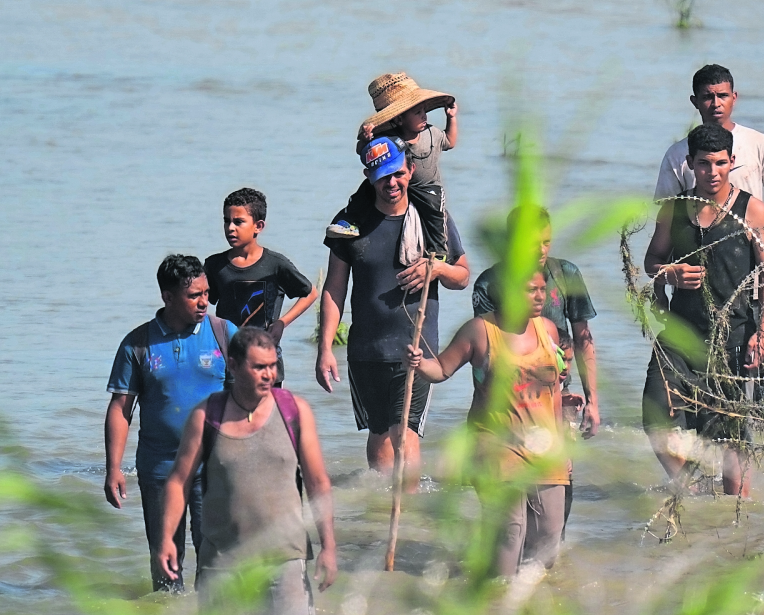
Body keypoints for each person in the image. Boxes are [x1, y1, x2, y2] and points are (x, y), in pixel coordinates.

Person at [157, 328, 336, 615]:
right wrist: (167, 539)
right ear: (233, 366)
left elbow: (317, 482)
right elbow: (178, 481)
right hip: (224, 561)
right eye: (258, 367)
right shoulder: (205, 416)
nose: (268, 374)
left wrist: (329, 547)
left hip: (286, 560)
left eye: (272, 366)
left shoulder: (295, 411)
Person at [316, 136, 470, 488]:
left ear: (411, 169)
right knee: (380, 435)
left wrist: (437, 269)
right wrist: (325, 348)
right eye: (383, 176)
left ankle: (410, 512)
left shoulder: (432, 219)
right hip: (366, 350)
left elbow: (461, 276)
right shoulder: (349, 223)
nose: (392, 183)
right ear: (369, 176)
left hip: (416, 349)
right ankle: (383, 512)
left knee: (405, 434)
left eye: (399, 174)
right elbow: (334, 289)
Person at [642, 123, 764, 497]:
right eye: (704, 164)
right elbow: (651, 261)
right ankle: (690, 490)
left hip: (731, 337)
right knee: (657, 421)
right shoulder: (676, 210)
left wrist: (762, 333)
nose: (712, 172)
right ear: (690, 164)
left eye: (720, 163)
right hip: (678, 335)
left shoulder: (752, 210)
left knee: (729, 439)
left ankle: (737, 518)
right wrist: (670, 272)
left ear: (732, 162)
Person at [408, 271, 568, 577]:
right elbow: (441, 368)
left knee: (548, 536)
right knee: (510, 531)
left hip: (545, 447)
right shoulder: (479, 331)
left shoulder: (548, 330)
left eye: (543, 289)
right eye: (530, 289)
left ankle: (531, 606)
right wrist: (419, 363)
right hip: (496, 446)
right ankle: (496, 601)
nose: (540, 296)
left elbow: (555, 392)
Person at [104, 254, 237, 592]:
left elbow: (255, 398)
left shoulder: (225, 333)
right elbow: (121, 408)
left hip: (214, 467)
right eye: (195, 295)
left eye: (207, 292)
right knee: (165, 570)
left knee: (216, 563)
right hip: (159, 468)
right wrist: (113, 468)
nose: (205, 301)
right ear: (168, 296)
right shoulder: (138, 344)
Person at [472, 206, 600, 434]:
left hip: (557, 395)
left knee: (560, 468)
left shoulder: (566, 275)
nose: (542, 250)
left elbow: (583, 340)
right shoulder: (490, 284)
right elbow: (485, 351)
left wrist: (593, 402)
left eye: (546, 241)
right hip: (505, 401)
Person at [326, 72, 458, 259]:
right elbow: (363, 153)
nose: (424, 116)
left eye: (424, 111)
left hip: (426, 186)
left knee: (435, 214)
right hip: (396, 183)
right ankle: (350, 221)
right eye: (417, 112)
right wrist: (365, 140)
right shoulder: (388, 138)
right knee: (364, 191)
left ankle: (438, 252)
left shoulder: (432, 133)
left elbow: (450, 142)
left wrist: (451, 118)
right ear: (398, 119)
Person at [654, 64, 764, 224]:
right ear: (695, 101)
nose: (716, 103)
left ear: (734, 98)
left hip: (748, 245)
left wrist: (755, 228)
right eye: (708, 97)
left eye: (723, 96)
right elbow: (667, 211)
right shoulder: (677, 154)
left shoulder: (760, 144)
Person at [205, 188, 317, 386]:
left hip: (266, 358)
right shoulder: (215, 265)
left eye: (238, 222)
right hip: (228, 359)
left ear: (258, 226)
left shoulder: (275, 264)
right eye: (226, 221)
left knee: (267, 416)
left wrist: (282, 323)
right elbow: (202, 304)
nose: (230, 227)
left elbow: (310, 293)